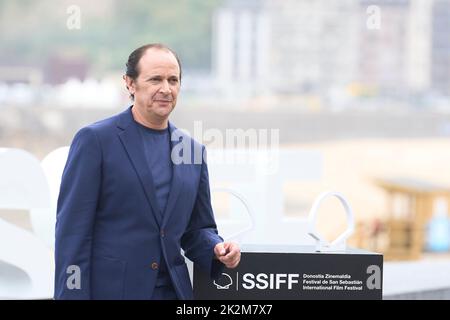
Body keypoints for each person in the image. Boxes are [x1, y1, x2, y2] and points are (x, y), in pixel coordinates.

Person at [54, 43, 241, 300]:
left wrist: (217, 248)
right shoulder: (95, 141)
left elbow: (197, 229)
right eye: (155, 79)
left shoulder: (193, 151)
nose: (166, 89)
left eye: (173, 80)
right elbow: (73, 232)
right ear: (130, 83)